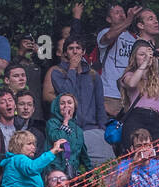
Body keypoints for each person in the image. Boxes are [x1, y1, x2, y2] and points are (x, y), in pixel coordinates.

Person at [44, 37, 111, 165]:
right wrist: (72, 69)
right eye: (70, 49)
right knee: (71, 169)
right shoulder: (58, 72)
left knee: (100, 168)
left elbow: (99, 105)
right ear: (65, 53)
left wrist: (104, 130)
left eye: (78, 48)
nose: (75, 52)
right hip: (69, 130)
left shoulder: (93, 75)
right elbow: (67, 94)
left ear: (83, 51)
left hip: (93, 129)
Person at [46, 92, 92, 177]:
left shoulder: (78, 130)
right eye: (62, 103)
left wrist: (91, 174)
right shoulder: (52, 123)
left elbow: (83, 154)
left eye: (69, 103)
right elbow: (58, 139)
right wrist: (65, 122)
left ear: (74, 107)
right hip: (55, 172)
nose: (66, 106)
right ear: (57, 107)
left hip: (72, 173)